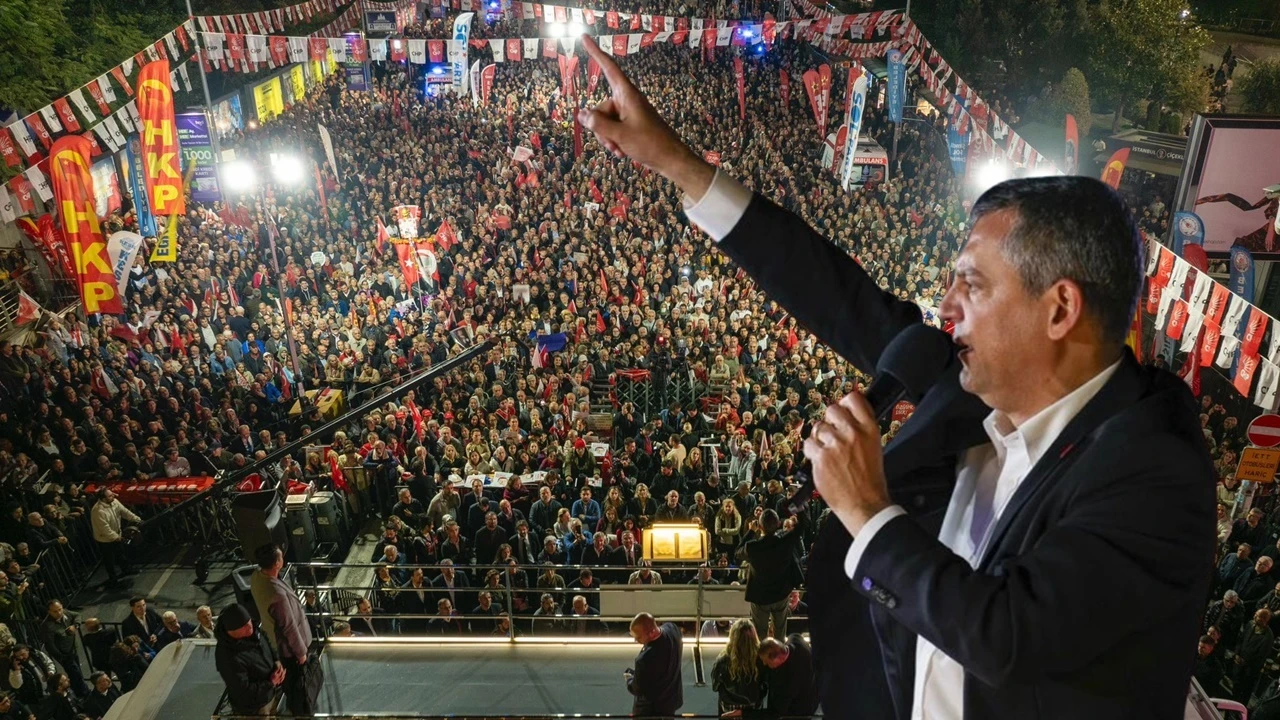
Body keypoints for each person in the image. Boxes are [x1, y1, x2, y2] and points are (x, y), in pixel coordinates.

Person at [577, 35, 1213, 718]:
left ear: (1059, 309)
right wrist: (674, 161)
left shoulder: (1153, 470)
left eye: (972, 284)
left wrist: (867, 511)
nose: (947, 306)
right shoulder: (957, 382)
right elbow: (831, 291)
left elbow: (1009, 637)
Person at [249, 544, 317, 716]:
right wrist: (301, 653)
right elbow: (289, 626)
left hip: (274, 640)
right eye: (281, 557)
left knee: (292, 683)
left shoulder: (257, 577)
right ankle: (301, 711)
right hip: (289, 649)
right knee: (296, 683)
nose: (283, 559)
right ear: (277, 563)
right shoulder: (277, 595)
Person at [739, 509, 803, 639]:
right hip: (781, 594)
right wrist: (795, 507)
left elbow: (737, 552)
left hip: (760, 596)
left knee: (760, 634)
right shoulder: (786, 542)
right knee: (780, 632)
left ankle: (762, 652)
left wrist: (751, 531)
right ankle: (779, 650)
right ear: (778, 524)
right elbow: (802, 526)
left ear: (760, 526)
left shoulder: (753, 547)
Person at [214, 603, 284, 717]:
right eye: (244, 626)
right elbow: (243, 693)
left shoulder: (253, 631)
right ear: (232, 630)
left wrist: (277, 661)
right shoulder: (227, 658)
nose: (250, 627)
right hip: (255, 709)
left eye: (249, 622)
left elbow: (267, 643)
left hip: (271, 694)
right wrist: (271, 683)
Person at [624, 613, 683, 717]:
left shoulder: (644, 660)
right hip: (670, 702)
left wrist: (629, 680)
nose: (636, 641)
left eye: (638, 637)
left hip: (650, 710)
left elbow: (637, 689)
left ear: (652, 633)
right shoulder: (673, 629)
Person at [756, 635, 820, 718]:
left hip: (801, 710)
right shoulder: (795, 639)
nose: (765, 664)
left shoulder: (790, 681)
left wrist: (744, 714)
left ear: (778, 658)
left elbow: (775, 712)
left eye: (767, 662)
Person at [711, 619, 765, 715]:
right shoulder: (761, 660)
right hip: (753, 708)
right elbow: (765, 687)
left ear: (733, 636)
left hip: (728, 708)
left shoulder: (723, 659)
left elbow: (715, 686)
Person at [90, 488, 139, 587]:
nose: (113, 496)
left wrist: (137, 519)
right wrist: (116, 537)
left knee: (121, 553)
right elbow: (105, 528)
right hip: (104, 539)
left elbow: (124, 512)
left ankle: (126, 569)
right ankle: (113, 579)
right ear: (103, 499)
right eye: (110, 496)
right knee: (109, 560)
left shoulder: (114, 502)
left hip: (116, 534)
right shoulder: (98, 511)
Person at [36, 601, 86, 697]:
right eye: (55, 611)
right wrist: (62, 656)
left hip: (72, 649)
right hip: (64, 654)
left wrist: (75, 625)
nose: (59, 613)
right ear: (49, 612)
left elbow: (77, 615)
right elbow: (50, 645)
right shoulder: (47, 626)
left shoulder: (66, 613)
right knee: (76, 674)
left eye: (60, 609)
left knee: (77, 673)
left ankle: (79, 692)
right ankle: (83, 693)